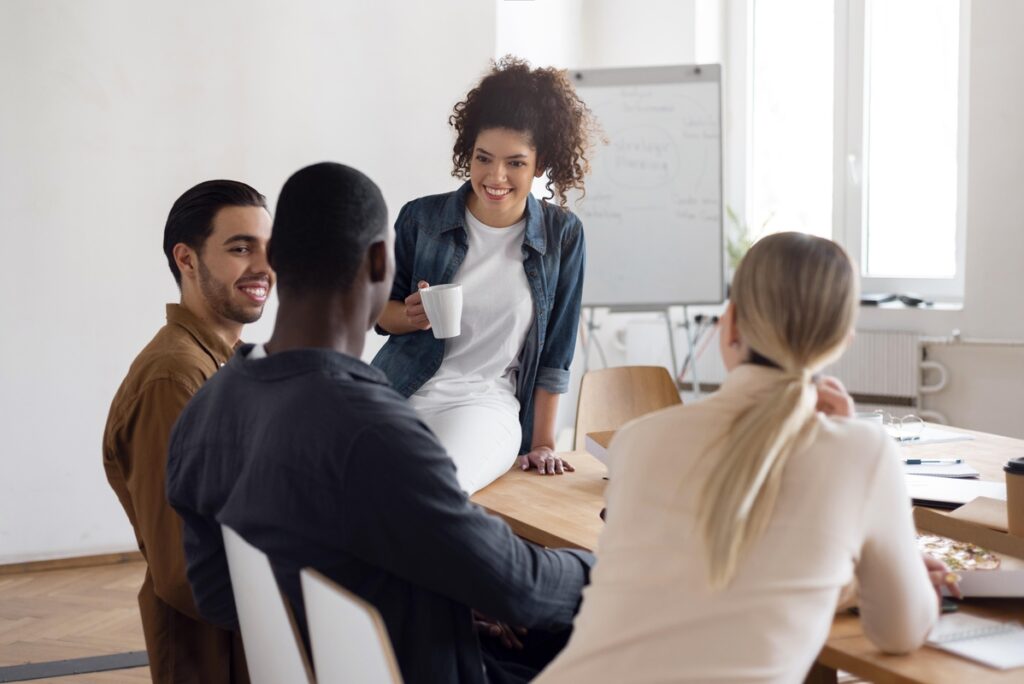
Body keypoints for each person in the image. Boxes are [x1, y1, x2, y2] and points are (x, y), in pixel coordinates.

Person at [165, 162, 594, 684]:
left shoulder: (207, 409)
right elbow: (522, 587)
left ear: (275, 259)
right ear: (378, 262)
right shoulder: (371, 429)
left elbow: (217, 594)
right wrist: (621, 563)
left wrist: (428, 602)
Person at [536, 233, 958, 683]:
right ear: (842, 340)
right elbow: (898, 631)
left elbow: (687, 589)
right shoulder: (862, 453)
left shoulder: (637, 441)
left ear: (730, 323)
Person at [371, 56, 601, 494]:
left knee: (432, 491)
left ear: (539, 163)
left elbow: (556, 353)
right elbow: (381, 313)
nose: (496, 176)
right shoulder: (421, 218)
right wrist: (412, 316)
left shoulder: (562, 235)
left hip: (483, 405)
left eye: (515, 163)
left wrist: (543, 443)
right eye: (484, 158)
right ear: (468, 153)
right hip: (397, 392)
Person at [102, 180, 273, 683]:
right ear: (187, 259)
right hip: (210, 653)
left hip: (248, 638)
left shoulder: (225, 362)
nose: (264, 266)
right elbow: (182, 569)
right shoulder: (173, 378)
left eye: (270, 247)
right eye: (240, 248)